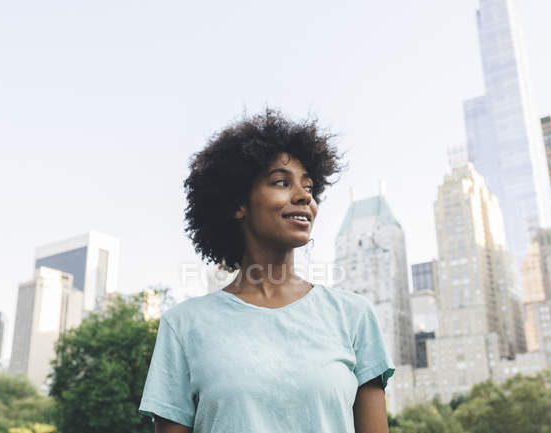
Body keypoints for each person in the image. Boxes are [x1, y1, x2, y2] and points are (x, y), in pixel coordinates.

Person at [139, 109, 395, 433]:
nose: (304, 197)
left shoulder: (354, 316)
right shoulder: (183, 327)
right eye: (281, 182)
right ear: (238, 205)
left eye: (309, 187)